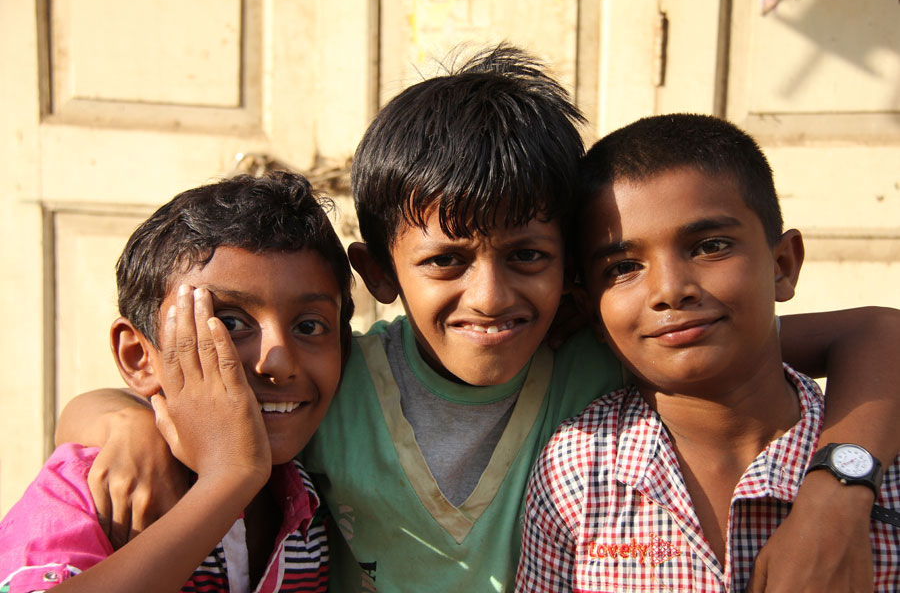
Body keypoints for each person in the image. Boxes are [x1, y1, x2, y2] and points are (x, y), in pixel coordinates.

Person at [55, 48, 900, 591]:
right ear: (380, 273)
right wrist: (122, 422)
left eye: (527, 256)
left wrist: (835, 496)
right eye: (447, 261)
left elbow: (877, 333)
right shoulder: (335, 383)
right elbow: (118, 405)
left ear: (570, 270)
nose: (490, 297)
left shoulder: (610, 349)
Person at [516, 113, 900, 591]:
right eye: (624, 267)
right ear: (591, 311)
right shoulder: (577, 469)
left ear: (782, 266)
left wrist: (838, 496)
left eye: (710, 246)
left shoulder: (881, 463)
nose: (670, 290)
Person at [0, 172, 354, 592]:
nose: (278, 361)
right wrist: (228, 480)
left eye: (310, 326)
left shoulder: (326, 477)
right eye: (229, 322)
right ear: (138, 356)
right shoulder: (99, 491)